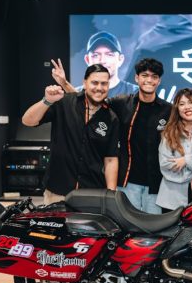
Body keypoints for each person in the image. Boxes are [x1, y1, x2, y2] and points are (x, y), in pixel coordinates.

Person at [22, 64, 119, 205]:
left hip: (92, 193)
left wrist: (110, 194)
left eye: (104, 83)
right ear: (84, 83)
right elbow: (28, 121)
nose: (99, 88)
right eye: (95, 82)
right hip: (57, 192)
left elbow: (110, 159)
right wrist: (47, 101)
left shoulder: (111, 118)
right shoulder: (64, 102)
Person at [109, 58, 171, 213]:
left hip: (157, 184)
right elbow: (93, 103)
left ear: (159, 81)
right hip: (128, 183)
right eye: (144, 75)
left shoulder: (168, 110)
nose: (149, 80)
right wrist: (65, 84)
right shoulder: (121, 103)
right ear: (137, 78)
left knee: (154, 226)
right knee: (127, 225)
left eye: (154, 77)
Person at [52, 31, 137, 97]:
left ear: (120, 59)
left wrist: (65, 84)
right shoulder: (75, 93)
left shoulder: (136, 93)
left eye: (109, 54)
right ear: (87, 60)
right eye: (96, 55)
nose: (102, 61)